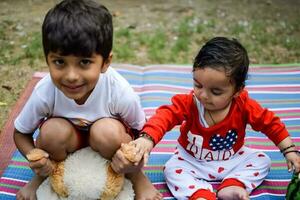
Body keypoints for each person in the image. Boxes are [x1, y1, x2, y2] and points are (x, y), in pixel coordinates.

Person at [116, 37, 300, 200]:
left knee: (263, 160)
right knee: (171, 170)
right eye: (198, 85)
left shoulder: (244, 105)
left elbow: (271, 124)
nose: (203, 95)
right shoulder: (189, 102)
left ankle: (233, 185)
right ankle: (200, 194)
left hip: (232, 159)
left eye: (216, 91)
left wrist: (289, 150)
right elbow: (165, 116)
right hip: (191, 161)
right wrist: (146, 139)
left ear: (237, 91)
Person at [13, 0, 162, 199]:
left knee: (106, 132)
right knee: (51, 132)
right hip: (66, 143)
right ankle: (42, 177)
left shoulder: (118, 90)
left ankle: (138, 179)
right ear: (47, 59)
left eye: (84, 62)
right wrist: (34, 158)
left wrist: (132, 161)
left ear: (105, 62)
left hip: (107, 145)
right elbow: (21, 133)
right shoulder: (45, 91)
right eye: (59, 62)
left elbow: (143, 134)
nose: (71, 76)